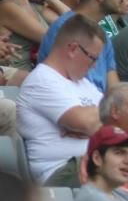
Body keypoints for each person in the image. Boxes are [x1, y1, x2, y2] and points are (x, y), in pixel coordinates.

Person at [17, 14, 104, 186]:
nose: (94, 65)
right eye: (93, 58)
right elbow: (86, 123)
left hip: (90, 165)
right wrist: (98, 123)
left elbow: (121, 118)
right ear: (73, 49)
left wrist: (98, 126)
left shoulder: (82, 82)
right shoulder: (41, 80)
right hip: (61, 173)